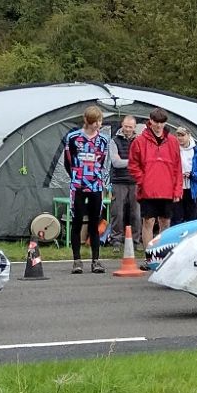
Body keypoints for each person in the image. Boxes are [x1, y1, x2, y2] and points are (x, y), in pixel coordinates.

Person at [61, 105, 113, 273]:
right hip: (78, 185)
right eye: (94, 122)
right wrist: (76, 177)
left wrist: (98, 180)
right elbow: (67, 162)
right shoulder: (73, 138)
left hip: (96, 186)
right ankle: (77, 260)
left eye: (99, 121)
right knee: (76, 222)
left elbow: (102, 162)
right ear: (86, 121)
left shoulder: (103, 140)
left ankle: (96, 260)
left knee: (94, 222)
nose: (97, 125)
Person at [129, 108, 182, 249]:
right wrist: (143, 181)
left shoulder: (173, 141)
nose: (159, 126)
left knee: (165, 222)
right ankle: (149, 256)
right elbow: (133, 165)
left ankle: (163, 253)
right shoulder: (139, 141)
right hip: (148, 190)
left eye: (162, 122)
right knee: (148, 222)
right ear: (150, 121)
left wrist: (177, 190)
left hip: (167, 189)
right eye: (156, 122)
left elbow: (178, 167)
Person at [108, 114, 141, 241]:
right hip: (118, 181)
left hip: (135, 181)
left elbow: (143, 160)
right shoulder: (114, 141)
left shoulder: (139, 141)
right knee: (117, 213)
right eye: (126, 126)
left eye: (130, 127)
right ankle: (116, 239)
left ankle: (135, 239)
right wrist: (134, 162)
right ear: (122, 125)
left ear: (134, 127)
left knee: (136, 213)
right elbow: (116, 163)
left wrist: (126, 161)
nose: (127, 129)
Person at [175, 125, 197, 224]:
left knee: (192, 219)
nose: (180, 138)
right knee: (177, 218)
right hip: (177, 189)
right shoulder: (174, 150)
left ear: (189, 135)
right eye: (178, 135)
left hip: (192, 190)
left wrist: (193, 175)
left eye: (182, 135)